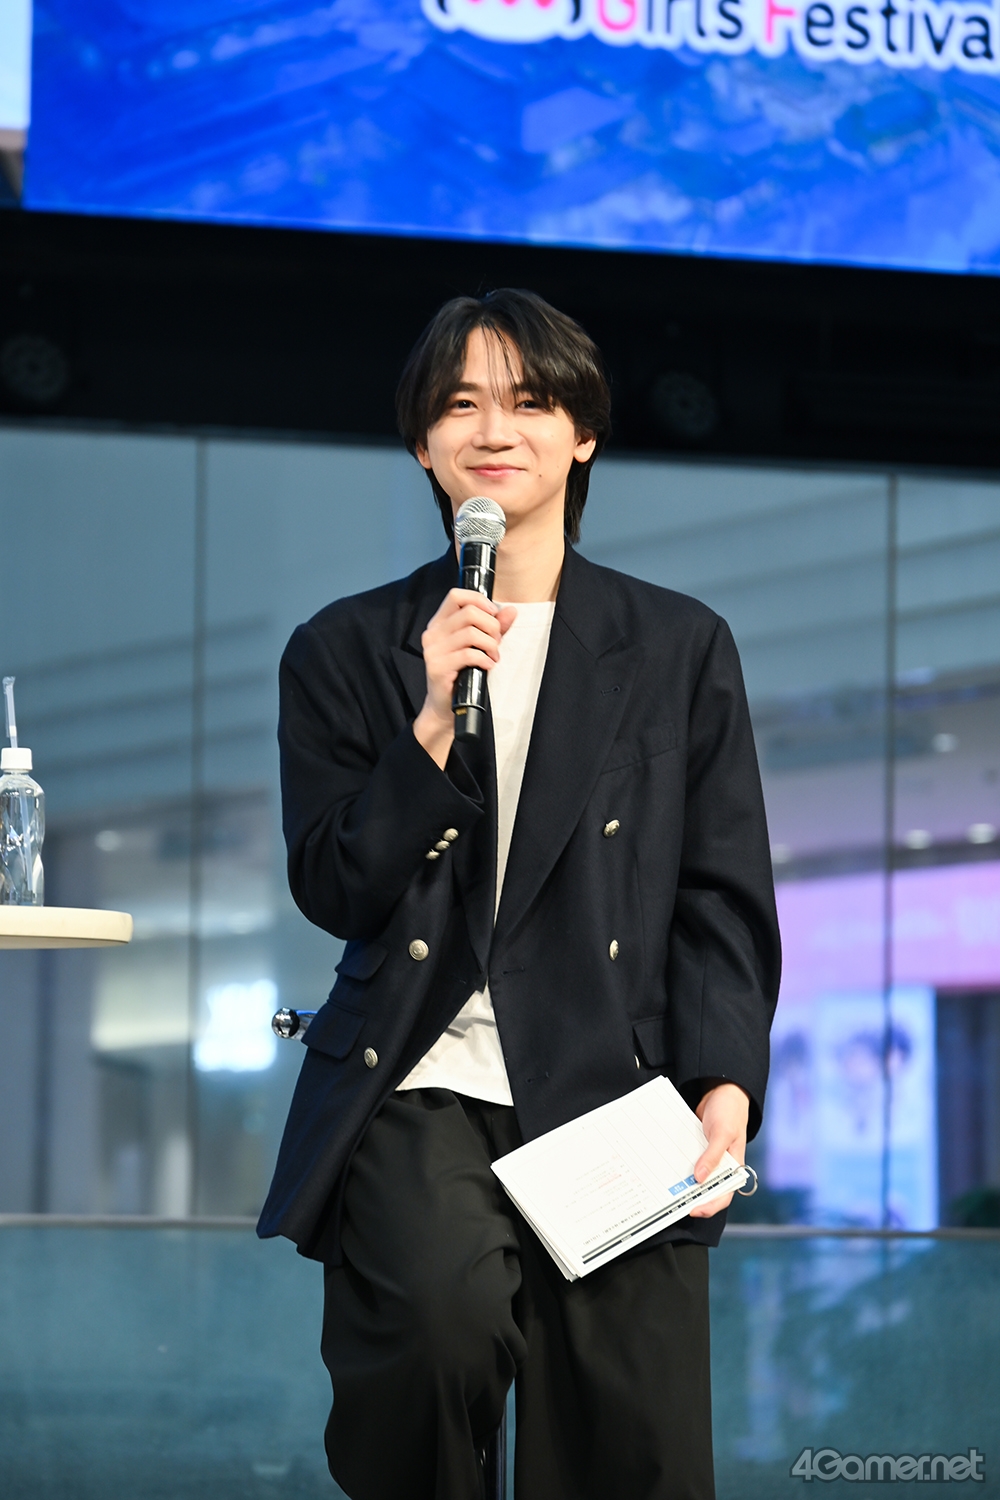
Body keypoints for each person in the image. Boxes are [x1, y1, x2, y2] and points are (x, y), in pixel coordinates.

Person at [258, 288, 781, 1500]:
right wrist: (429, 727)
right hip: (418, 1073)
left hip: (617, 1084)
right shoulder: (345, 648)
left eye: (530, 401)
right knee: (430, 1340)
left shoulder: (677, 646)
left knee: (631, 1440)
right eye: (460, 404)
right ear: (422, 442)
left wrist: (726, 1082)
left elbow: (719, 890)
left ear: (582, 433)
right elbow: (335, 884)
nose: (493, 429)